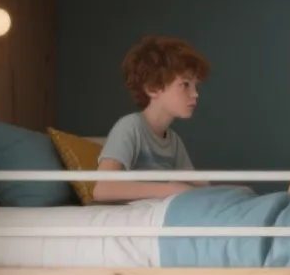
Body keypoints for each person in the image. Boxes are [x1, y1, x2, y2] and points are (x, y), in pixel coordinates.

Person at [86, 35, 209, 203]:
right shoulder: (130, 127)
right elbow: (103, 189)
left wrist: (229, 192)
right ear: (153, 88)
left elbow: (202, 186)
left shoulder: (173, 140)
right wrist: (170, 189)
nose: (195, 94)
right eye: (185, 84)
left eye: (196, 85)